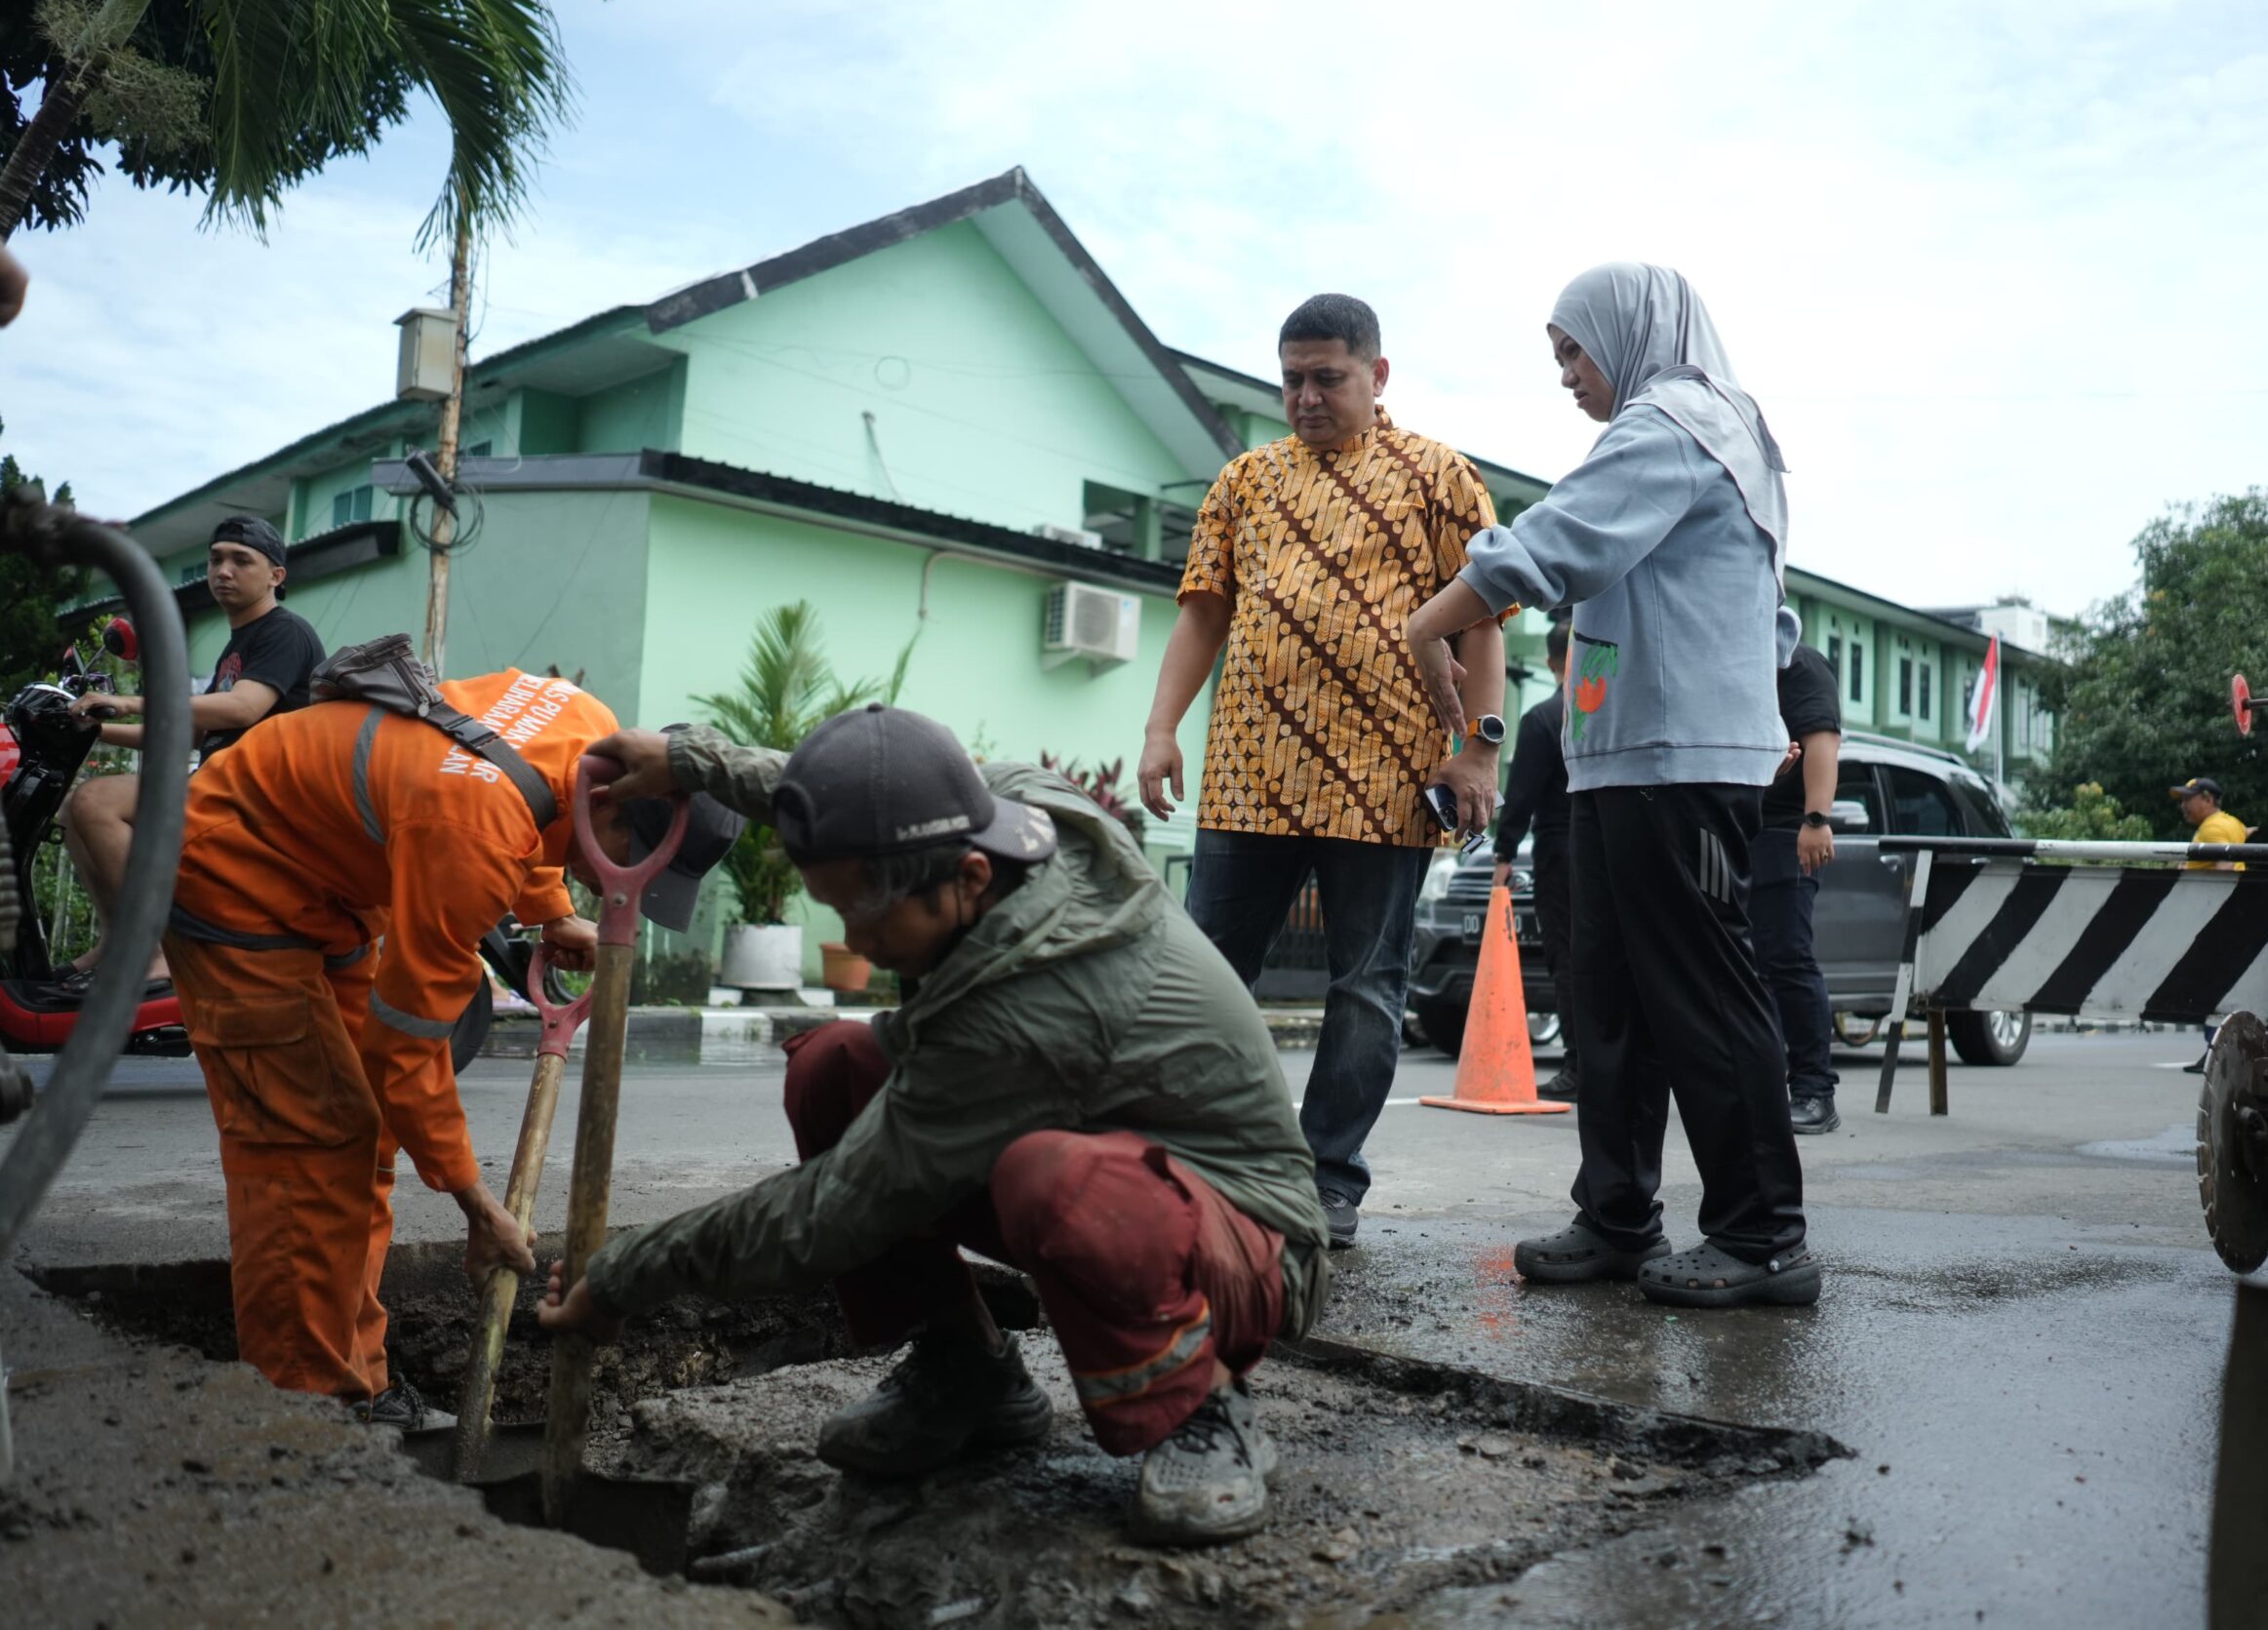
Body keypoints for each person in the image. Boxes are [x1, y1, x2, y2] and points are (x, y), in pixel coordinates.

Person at [539, 705, 1331, 1547]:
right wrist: (691, 760)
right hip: (1116, 1156)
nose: (854, 940)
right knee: (833, 1066)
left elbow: (833, 1210)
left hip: (1252, 1238)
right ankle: (967, 1372)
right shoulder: (1015, 805)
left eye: (869, 916)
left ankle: (1202, 1410)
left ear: (969, 879)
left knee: (1051, 1181)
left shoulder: (1024, 1010)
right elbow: (859, 797)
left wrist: (623, 1275)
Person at [1403, 262, 1819, 1309]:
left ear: (1633, 335)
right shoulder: (1712, 433)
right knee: (1613, 1005)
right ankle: (1619, 1215)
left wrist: (1428, 620)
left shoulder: (1678, 420)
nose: (1564, 375)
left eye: (1571, 351)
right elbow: (1763, 615)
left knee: (1704, 998)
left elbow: (1557, 541)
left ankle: (1761, 1237)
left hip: (1676, 763)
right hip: (1621, 758)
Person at [163, 664, 734, 1426]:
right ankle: (300, 1412)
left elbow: (520, 783)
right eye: (623, 857)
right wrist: (476, 1203)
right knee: (309, 1142)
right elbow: (407, 1050)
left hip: (321, 878)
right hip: (231, 870)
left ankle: (359, 1384)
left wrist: (549, 907)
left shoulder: (584, 724)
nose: (615, 882)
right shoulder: (471, 832)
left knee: (365, 1141)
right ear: (614, 801)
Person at [1136, 292, 1508, 1250]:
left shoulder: (1440, 479)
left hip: (1384, 778)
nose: (1304, 396)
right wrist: (1160, 728)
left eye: (1326, 378)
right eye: (1291, 378)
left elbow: (1483, 619)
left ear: (1377, 375)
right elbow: (1202, 611)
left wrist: (1477, 747)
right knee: (1203, 975)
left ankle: (1324, 1180)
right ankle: (1187, 1161)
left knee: (1365, 988)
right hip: (1248, 771)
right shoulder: (1242, 484)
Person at [62, 514, 324, 984]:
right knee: (71, 811)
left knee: (95, 800)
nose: (223, 570)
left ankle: (159, 951)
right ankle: (118, 940)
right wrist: (95, 730)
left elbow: (244, 708)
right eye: (216, 559)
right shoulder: (236, 648)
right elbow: (183, 734)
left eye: (241, 560)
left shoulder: (285, 631)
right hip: (220, 786)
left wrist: (125, 701)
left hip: (259, 798)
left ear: (275, 576)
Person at [1492, 618, 1581, 1101]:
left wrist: (1503, 855)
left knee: (1568, 959)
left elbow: (1520, 797)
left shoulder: (1544, 719)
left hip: (1561, 855)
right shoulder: (1608, 716)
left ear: (1550, 663)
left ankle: (1577, 1066)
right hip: (1610, 853)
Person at [1759, 641, 1844, 1133]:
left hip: (1787, 833)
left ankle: (1815, 1091)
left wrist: (1816, 818)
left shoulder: (1799, 664)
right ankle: (1762, 1085)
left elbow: (1822, 741)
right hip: (1740, 827)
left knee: (1787, 957)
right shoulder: (1736, 655)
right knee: (1748, 967)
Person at [2172, 775, 2248, 1073]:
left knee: (2211, 989)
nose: (2183, 806)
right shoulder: (2231, 823)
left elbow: (2224, 869)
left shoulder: (2214, 828)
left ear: (2207, 798)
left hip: (2216, 920)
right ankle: (2216, 1051)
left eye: (2187, 799)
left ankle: (2214, 1053)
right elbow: (2242, 834)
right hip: (2233, 919)